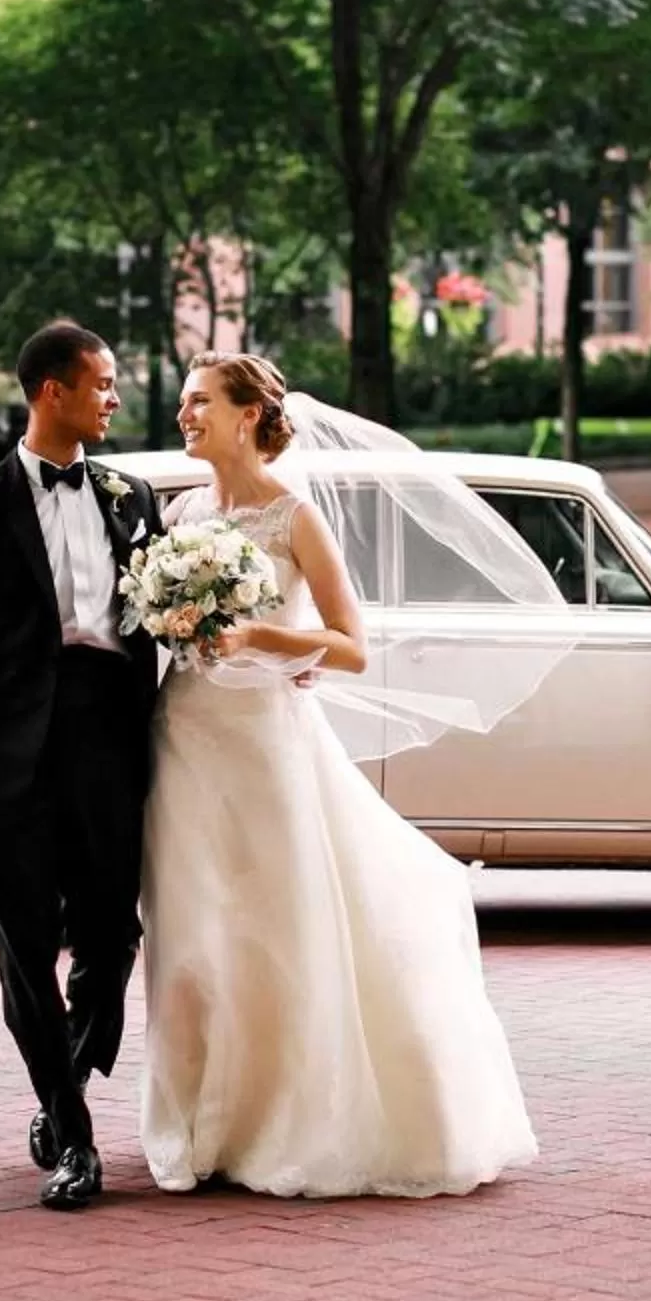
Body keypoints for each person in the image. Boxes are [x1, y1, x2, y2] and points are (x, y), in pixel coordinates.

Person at [134, 352, 538, 1200]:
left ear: (247, 415)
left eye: (200, 400)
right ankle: (204, 1125)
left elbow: (350, 645)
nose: (184, 414)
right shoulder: (178, 512)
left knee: (276, 934)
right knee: (192, 939)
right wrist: (177, 620)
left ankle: (288, 1122)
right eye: (183, 401)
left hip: (264, 743)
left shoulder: (293, 518)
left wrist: (261, 640)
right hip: (185, 735)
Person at [0, 323, 167, 1210]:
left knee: (111, 938)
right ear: (51, 391)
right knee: (23, 952)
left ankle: (67, 1087)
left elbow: (160, 629)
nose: (114, 399)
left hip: (109, 742)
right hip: (7, 752)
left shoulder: (134, 497)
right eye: (100, 384)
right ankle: (76, 1141)